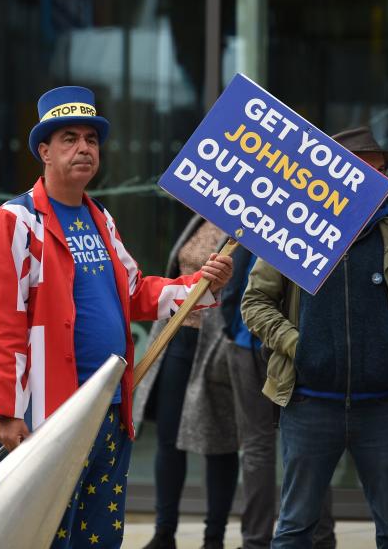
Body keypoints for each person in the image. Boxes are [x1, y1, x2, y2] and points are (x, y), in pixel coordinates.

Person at [0, 85, 233, 549]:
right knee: (51, 535)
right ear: (44, 150)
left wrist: (201, 283)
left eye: (91, 139)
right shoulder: (14, 222)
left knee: (100, 537)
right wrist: (6, 411)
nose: (83, 148)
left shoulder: (102, 219)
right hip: (51, 413)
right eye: (69, 138)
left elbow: (137, 294)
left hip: (110, 410)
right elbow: (6, 321)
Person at [242, 126, 388, 549]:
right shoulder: (293, 226)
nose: (386, 180)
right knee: (294, 529)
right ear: (343, 174)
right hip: (310, 405)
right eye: (374, 171)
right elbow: (255, 303)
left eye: (386, 170)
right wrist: (300, 345)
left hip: (380, 408)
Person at [133, 214, 239, 549]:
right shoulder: (198, 217)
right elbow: (175, 270)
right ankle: (164, 533)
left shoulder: (255, 228)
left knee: (219, 441)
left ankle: (214, 538)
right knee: (168, 437)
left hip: (219, 344)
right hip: (176, 336)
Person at [220, 245, 336, 549]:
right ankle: (319, 539)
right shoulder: (321, 223)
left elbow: (235, 275)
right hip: (292, 342)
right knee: (310, 447)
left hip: (261, 339)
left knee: (267, 446)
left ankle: (256, 542)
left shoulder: (261, 207)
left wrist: (229, 321)